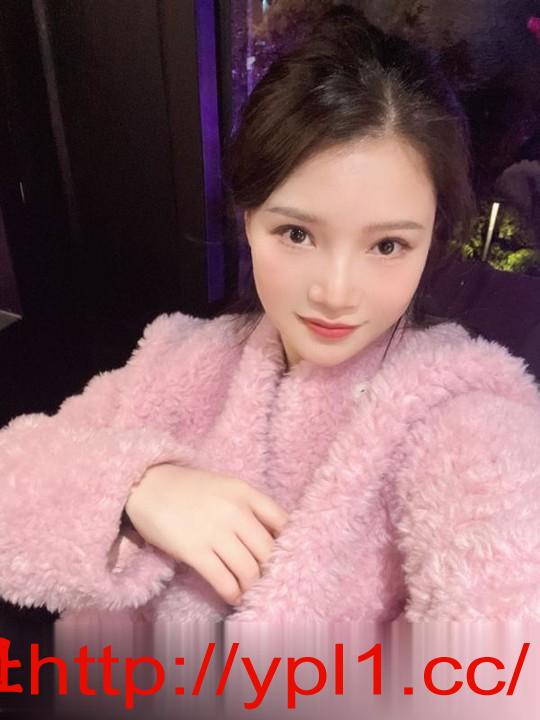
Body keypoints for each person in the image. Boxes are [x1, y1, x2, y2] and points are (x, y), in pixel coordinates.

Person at [1, 6, 539, 624]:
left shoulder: (465, 419)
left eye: (388, 245)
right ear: (249, 218)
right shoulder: (178, 360)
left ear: (432, 240)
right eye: (297, 234)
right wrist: (132, 488)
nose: (336, 292)